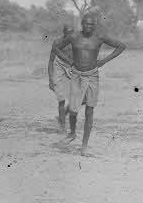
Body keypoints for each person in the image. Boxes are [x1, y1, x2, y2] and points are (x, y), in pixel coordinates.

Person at [53, 9, 126, 153]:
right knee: (73, 111)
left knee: (89, 110)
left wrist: (104, 61)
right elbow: (56, 47)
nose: (88, 26)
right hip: (76, 75)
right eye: (86, 23)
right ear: (82, 24)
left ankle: (84, 146)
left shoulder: (99, 37)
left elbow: (121, 46)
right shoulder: (74, 36)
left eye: (91, 24)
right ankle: (72, 133)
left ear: (94, 26)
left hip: (92, 76)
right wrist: (69, 61)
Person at [47, 23, 75, 131]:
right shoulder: (58, 43)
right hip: (60, 69)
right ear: (64, 33)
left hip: (72, 68)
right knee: (61, 99)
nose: (70, 35)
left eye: (72, 33)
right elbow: (51, 61)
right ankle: (63, 128)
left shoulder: (77, 43)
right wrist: (50, 79)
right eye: (68, 33)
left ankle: (61, 117)